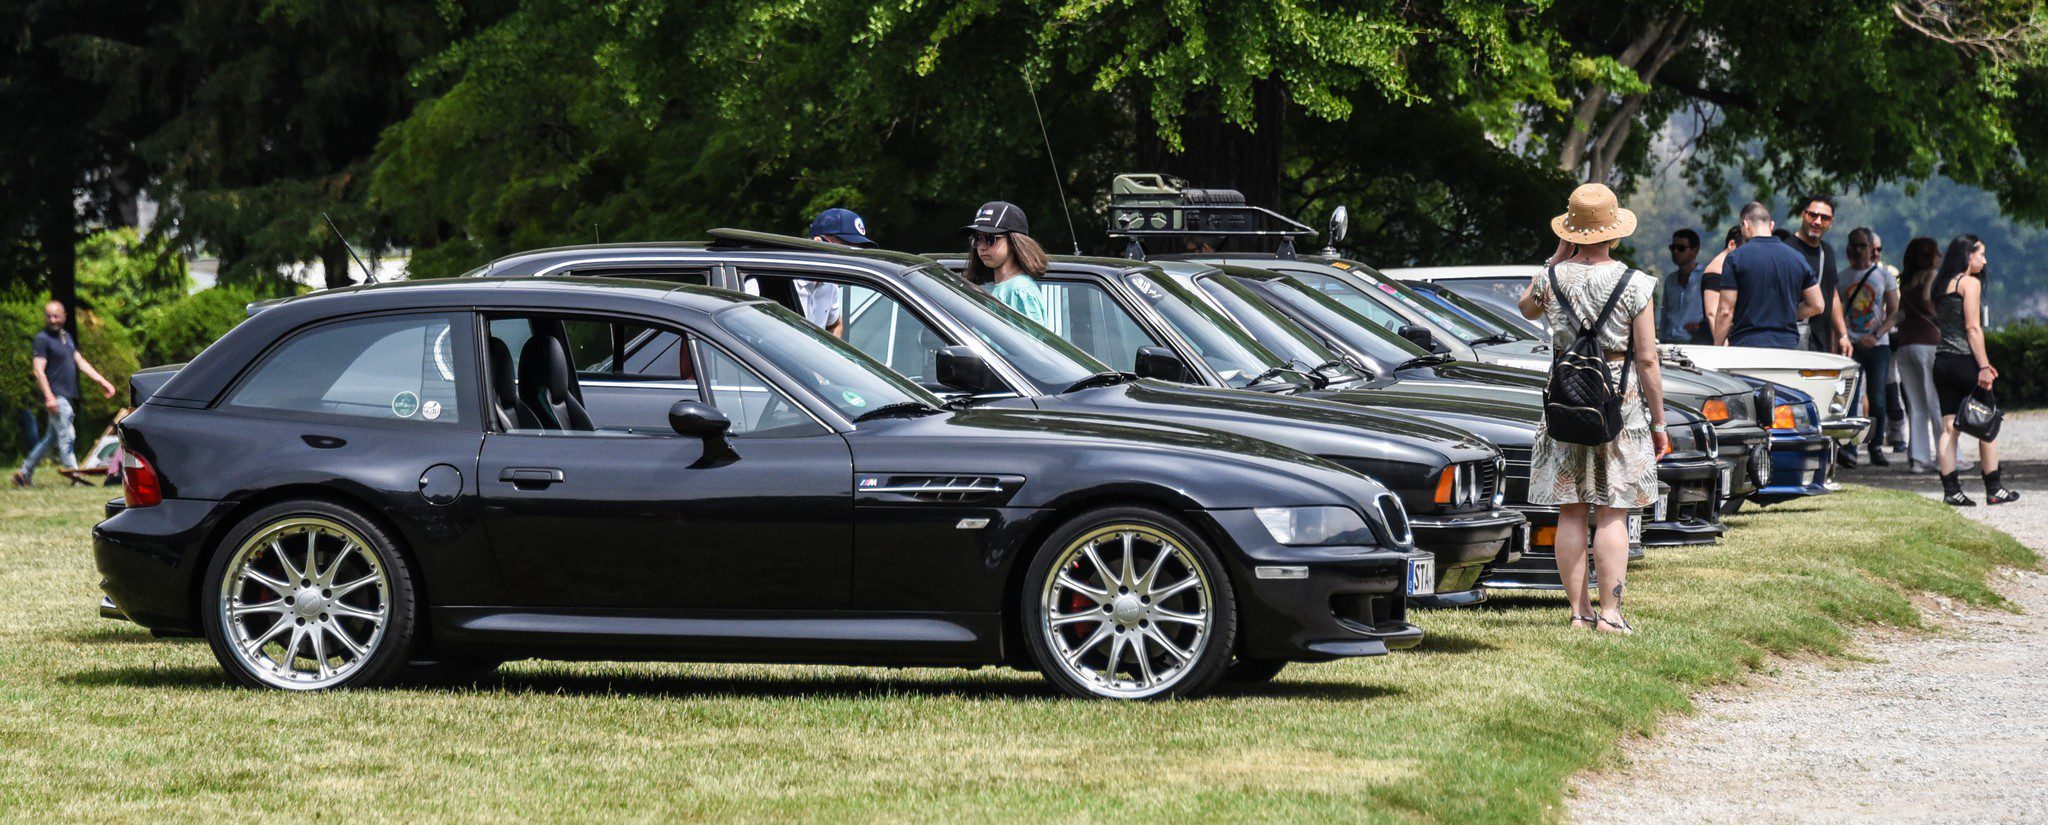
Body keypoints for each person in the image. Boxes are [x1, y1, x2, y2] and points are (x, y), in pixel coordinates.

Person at [1516, 183, 1666, 635]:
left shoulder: (1551, 278)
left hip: (1564, 400)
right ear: (1614, 233)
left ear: (1571, 231)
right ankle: (1611, 614)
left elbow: (1525, 309)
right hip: (1617, 405)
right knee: (1615, 509)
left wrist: (1556, 257)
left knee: (1572, 509)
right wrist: (1659, 422)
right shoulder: (1635, 284)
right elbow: (1646, 359)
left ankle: (1579, 613)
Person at [1930, 236, 2018, 506]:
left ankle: (1951, 491)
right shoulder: (1970, 283)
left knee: (1948, 428)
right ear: (1968, 255)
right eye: (1981, 254)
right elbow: (1972, 328)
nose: (1985, 260)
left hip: (1942, 361)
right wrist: (1983, 366)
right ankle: (1994, 488)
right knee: (1988, 423)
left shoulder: (1941, 285)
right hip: (1964, 360)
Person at [12, 301, 118, 488]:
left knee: (51, 439)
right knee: (67, 435)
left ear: (64, 317)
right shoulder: (42, 339)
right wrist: (49, 397)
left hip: (66, 396)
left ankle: (25, 473)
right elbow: (38, 370)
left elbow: (80, 361)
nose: (52, 320)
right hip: (57, 397)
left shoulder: (66, 337)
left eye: (56, 316)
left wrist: (101, 381)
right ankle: (76, 478)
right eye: (48, 316)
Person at [1711, 202, 1824, 348]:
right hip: (1787, 347)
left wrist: (1718, 346)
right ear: (1771, 225)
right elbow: (1817, 305)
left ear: (1745, 224)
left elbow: (1725, 310)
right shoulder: (1797, 258)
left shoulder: (1736, 258)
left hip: (1747, 345)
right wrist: (1785, 313)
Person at [1839, 227, 1900, 466]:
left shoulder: (1883, 276)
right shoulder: (1842, 278)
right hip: (1851, 346)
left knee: (1877, 397)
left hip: (1878, 345)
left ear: (1870, 248)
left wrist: (1876, 334)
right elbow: (1836, 312)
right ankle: (1851, 448)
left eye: (1863, 245)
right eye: (1854, 244)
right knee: (1851, 398)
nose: (1858, 250)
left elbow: (1895, 313)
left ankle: (1875, 446)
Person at [1892, 237, 1943, 474]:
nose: (1940, 256)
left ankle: (1919, 458)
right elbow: (1926, 298)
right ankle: (1946, 457)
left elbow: (1899, 314)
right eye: (1936, 252)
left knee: (1915, 405)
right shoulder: (1932, 276)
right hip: (1929, 343)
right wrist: (1938, 317)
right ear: (1928, 256)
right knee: (1936, 402)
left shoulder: (1905, 282)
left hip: (1906, 345)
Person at [1782, 195, 1852, 355]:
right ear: (1803, 214)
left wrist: (1843, 335)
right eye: (1813, 215)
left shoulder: (1827, 251)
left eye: (1825, 218)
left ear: (1831, 222)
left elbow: (1832, 294)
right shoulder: (1786, 250)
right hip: (1793, 339)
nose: (1818, 222)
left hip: (1822, 343)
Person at [961, 201, 1050, 325]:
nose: (981, 247)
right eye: (977, 239)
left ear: (1014, 243)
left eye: (989, 239)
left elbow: (1030, 343)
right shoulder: (988, 287)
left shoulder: (1019, 290)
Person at [799, 207, 878, 336]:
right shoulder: (781, 278)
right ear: (818, 242)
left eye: (854, 252)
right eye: (843, 250)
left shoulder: (830, 285)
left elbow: (835, 324)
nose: (847, 259)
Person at [1659, 229, 1709, 343]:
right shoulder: (1670, 280)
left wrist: (1701, 326)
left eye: (1681, 248)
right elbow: (1664, 316)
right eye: (1673, 248)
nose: (1675, 252)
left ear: (1695, 251)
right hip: (1669, 341)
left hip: (1696, 342)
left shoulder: (1705, 277)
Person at [1699, 225, 1742, 338]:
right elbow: (1712, 314)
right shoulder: (1715, 272)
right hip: (1716, 344)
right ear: (1731, 245)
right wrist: (1723, 346)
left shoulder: (1725, 269)